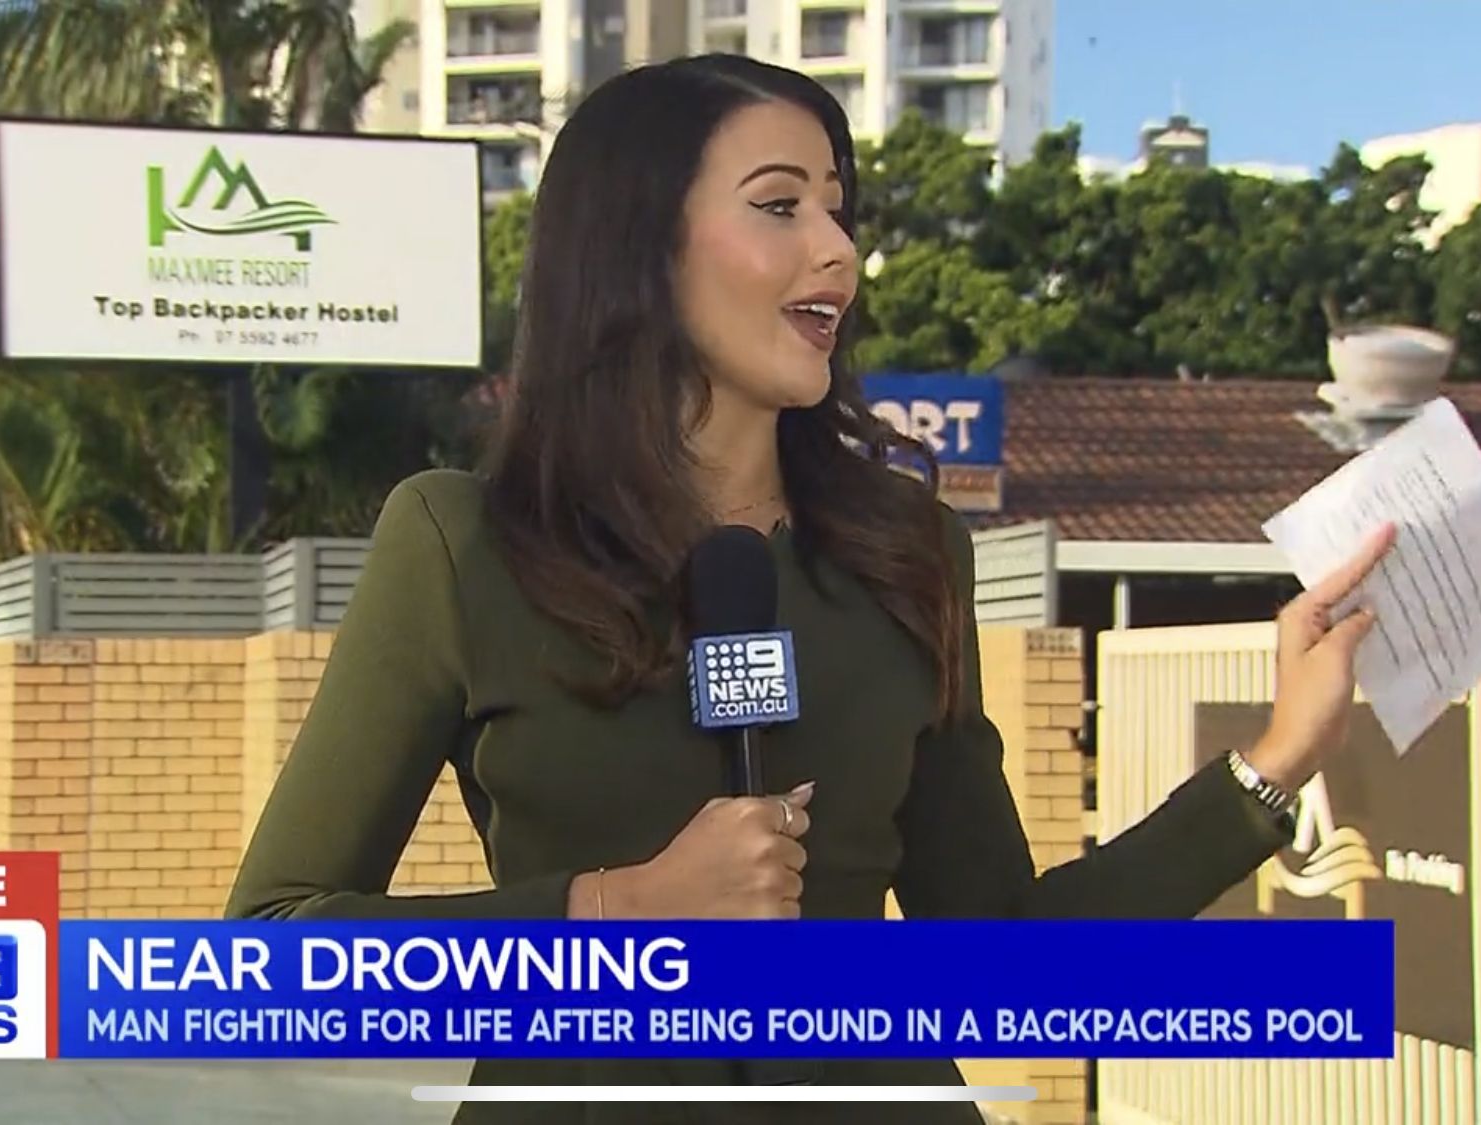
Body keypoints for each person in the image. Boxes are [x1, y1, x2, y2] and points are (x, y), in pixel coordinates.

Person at [225, 52, 1395, 1124]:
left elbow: (1003, 955)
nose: (838, 250)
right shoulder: (464, 542)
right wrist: (608, 915)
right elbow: (273, 953)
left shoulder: (906, 551)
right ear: (639, 244)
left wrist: (1274, 761)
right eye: (780, 206)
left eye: (839, 210)